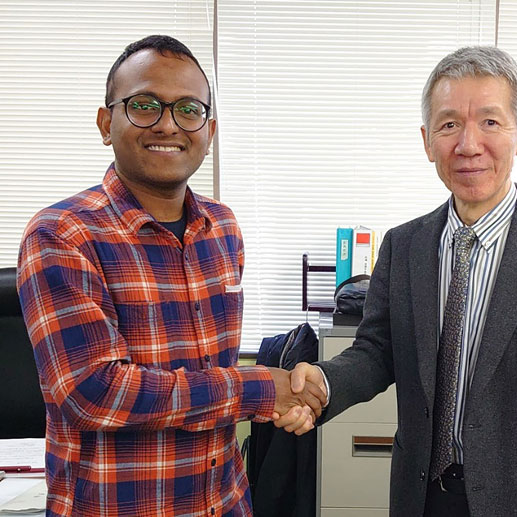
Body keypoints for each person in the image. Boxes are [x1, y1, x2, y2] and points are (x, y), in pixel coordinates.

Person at [274, 46, 517, 516]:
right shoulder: (404, 246)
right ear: (426, 140)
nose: (468, 144)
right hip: (421, 497)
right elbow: (378, 351)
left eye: (491, 122)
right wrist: (324, 382)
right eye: (449, 123)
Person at [17, 35, 324, 517]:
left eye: (188, 109)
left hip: (223, 501)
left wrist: (283, 399)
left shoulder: (222, 227)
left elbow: (210, 373)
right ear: (105, 122)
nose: (167, 124)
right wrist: (264, 388)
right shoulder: (62, 234)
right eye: (144, 105)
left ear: (209, 128)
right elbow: (94, 393)